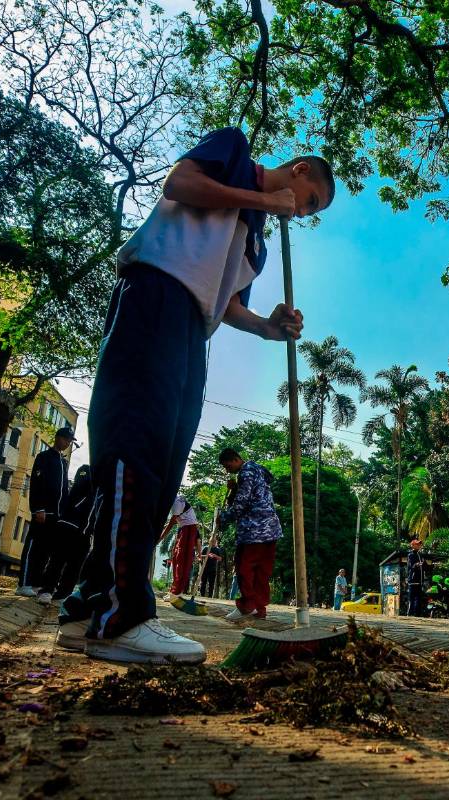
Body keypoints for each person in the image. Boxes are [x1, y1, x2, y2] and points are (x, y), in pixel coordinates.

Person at [58, 127, 333, 665]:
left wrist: (268, 327)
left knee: (163, 465)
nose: (302, 213)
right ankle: (123, 616)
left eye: (310, 212)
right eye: (309, 202)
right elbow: (180, 183)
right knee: (134, 446)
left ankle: (88, 609)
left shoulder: (255, 235)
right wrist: (260, 197)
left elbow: (229, 303)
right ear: (299, 171)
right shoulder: (234, 153)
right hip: (154, 293)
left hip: (193, 329)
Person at [218, 448, 284, 622]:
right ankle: (259, 609)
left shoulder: (245, 473)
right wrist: (235, 488)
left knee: (244, 568)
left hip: (254, 530)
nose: (227, 470)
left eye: (227, 466)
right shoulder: (258, 469)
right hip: (271, 528)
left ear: (234, 460)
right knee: (261, 571)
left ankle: (247, 606)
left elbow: (242, 502)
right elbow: (256, 492)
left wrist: (223, 518)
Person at [18, 427, 72, 603]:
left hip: (57, 516)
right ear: (57, 438)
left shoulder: (63, 463)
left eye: (69, 440)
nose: (67, 443)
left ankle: (36, 584)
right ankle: (24, 583)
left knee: (46, 551)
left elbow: (64, 491)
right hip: (43, 512)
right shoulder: (44, 458)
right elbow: (36, 483)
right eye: (65, 439)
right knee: (33, 547)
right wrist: (38, 508)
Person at [46, 465, 93, 602]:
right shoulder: (87, 474)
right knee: (59, 560)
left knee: (73, 565)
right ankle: (48, 590)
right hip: (70, 526)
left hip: (84, 531)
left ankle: (61, 593)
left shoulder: (107, 484)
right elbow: (78, 490)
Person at [165, 495, 201, 596]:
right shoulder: (173, 501)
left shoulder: (175, 503)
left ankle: (177, 592)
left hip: (188, 530)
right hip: (184, 529)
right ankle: (174, 590)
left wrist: (199, 554)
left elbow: (198, 542)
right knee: (176, 559)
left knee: (181, 561)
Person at [405, 538, 429, 617]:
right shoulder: (410, 555)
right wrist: (417, 564)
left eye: (419, 544)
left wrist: (430, 565)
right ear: (412, 545)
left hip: (420, 581)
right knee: (411, 598)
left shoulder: (420, 555)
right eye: (417, 544)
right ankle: (409, 613)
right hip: (413, 580)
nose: (419, 545)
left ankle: (417, 614)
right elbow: (411, 566)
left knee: (419, 598)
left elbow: (425, 566)